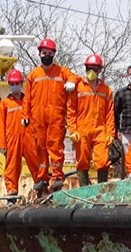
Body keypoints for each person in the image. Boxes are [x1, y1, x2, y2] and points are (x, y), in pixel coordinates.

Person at [22, 38, 78, 193]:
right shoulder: (34, 74)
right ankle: (42, 178)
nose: (46, 55)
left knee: (55, 147)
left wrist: (71, 82)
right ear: (39, 54)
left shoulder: (61, 71)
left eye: (49, 53)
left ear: (54, 54)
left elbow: (75, 77)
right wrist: (25, 115)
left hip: (56, 116)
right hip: (38, 118)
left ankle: (58, 177)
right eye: (44, 53)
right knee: (40, 148)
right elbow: (27, 98)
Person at [67, 54, 115, 186]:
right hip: (82, 130)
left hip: (100, 130)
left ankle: (102, 189)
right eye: (89, 68)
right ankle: (84, 189)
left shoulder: (106, 90)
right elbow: (71, 110)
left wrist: (110, 133)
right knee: (82, 160)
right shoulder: (77, 87)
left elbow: (110, 113)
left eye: (95, 68)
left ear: (100, 70)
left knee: (103, 160)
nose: (91, 71)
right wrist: (72, 130)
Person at [0, 69, 39, 203]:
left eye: (17, 83)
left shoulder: (28, 101)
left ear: (21, 83)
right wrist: (2, 145)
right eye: (12, 83)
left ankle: (41, 190)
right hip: (12, 140)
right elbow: (0, 125)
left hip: (29, 138)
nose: (14, 85)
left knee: (36, 165)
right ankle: (11, 193)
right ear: (9, 84)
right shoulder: (4, 103)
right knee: (11, 168)